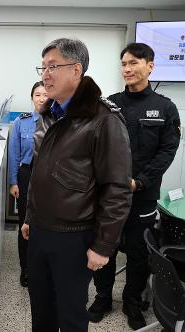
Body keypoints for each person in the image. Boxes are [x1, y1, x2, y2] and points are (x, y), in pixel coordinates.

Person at [21, 38, 132, 332]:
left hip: (74, 236)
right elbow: (39, 173)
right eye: (42, 67)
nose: (45, 74)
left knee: (70, 314)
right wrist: (31, 217)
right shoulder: (49, 113)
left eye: (53, 66)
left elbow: (117, 189)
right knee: (41, 309)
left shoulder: (104, 120)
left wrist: (104, 245)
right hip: (40, 231)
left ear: (76, 70)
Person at [89, 43, 181, 330]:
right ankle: (103, 297)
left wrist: (139, 181)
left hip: (142, 197)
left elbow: (167, 151)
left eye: (133, 63)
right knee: (105, 247)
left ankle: (132, 302)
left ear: (150, 66)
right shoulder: (110, 104)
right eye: (124, 64)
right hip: (109, 195)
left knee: (140, 253)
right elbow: (96, 146)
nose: (127, 69)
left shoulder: (165, 108)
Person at [8, 81, 47, 287]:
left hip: (48, 177)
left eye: (45, 94)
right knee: (25, 223)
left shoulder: (57, 120)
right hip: (26, 174)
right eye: (37, 95)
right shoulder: (20, 122)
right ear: (32, 98)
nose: (41, 98)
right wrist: (13, 181)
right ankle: (26, 268)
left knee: (45, 223)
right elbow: (13, 155)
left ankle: (42, 266)